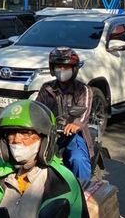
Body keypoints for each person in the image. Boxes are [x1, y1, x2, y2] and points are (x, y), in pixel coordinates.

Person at [0, 100, 87, 218]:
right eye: (11, 134)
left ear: (45, 139)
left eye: (25, 133)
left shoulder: (62, 182)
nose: (16, 140)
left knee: (78, 157)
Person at [36, 47, 93, 181]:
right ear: (52, 68)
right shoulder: (46, 88)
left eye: (66, 66)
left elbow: (84, 112)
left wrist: (75, 124)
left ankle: (84, 192)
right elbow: (37, 109)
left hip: (73, 135)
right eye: (59, 66)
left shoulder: (83, 90)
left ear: (74, 69)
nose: (62, 70)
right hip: (49, 134)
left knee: (78, 159)